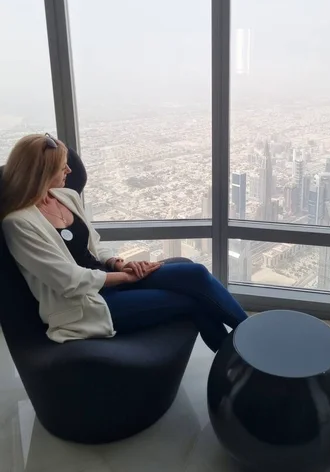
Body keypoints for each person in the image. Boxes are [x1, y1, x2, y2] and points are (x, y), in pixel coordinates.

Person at [1, 134, 247, 351]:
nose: (69, 172)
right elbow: (68, 281)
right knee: (194, 302)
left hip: (108, 277)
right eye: (62, 168)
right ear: (42, 173)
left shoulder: (66, 196)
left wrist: (118, 263)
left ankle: (249, 334)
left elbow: (94, 244)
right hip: (84, 304)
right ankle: (241, 360)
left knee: (196, 274)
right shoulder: (19, 223)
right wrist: (127, 278)